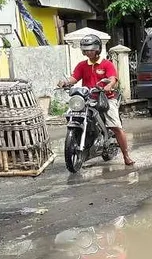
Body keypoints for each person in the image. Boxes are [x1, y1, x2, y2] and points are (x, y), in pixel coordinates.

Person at [57, 34, 135, 166]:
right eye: (86, 49)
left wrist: (109, 86)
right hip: (87, 98)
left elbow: (112, 78)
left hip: (105, 98)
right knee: (72, 114)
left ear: (97, 49)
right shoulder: (82, 65)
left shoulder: (106, 64)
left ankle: (126, 156)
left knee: (115, 126)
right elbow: (74, 78)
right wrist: (65, 82)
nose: (88, 52)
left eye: (91, 49)